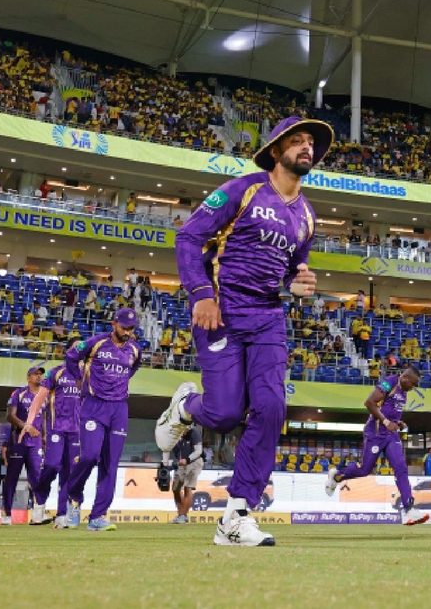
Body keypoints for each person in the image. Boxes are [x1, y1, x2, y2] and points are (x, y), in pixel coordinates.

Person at [155, 116, 330, 547]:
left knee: (271, 408)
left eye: (311, 142)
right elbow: (187, 238)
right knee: (225, 414)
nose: (306, 147)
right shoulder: (243, 189)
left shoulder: (308, 216)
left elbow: (292, 271)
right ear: (276, 150)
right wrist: (201, 294)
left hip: (268, 318)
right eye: (297, 140)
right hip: (221, 312)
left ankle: (236, 516)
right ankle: (186, 407)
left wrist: (299, 282)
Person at [61, 308, 142, 531]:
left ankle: (98, 516)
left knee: (111, 463)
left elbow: (133, 368)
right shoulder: (95, 343)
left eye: (131, 328)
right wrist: (79, 378)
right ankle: (74, 497)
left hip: (119, 408)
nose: (128, 332)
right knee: (89, 456)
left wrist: (118, 385)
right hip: (94, 405)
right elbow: (71, 356)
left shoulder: (135, 349)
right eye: (124, 327)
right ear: (114, 323)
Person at [324, 366, 428, 526]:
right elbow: (369, 402)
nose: (413, 388)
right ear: (405, 377)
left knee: (401, 467)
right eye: (412, 384)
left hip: (391, 435)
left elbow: (389, 409)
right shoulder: (389, 383)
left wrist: (397, 422)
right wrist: (386, 422)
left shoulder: (404, 391)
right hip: (375, 433)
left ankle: (408, 509)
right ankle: (337, 475)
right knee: (364, 470)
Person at [23, 356, 83, 529]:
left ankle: (62, 515)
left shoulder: (86, 374)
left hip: (76, 431)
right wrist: (29, 422)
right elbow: (38, 399)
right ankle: (40, 499)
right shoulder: (55, 373)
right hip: (56, 428)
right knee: (51, 465)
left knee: (69, 472)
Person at [1, 366, 50, 526]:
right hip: (18, 441)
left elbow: (43, 418)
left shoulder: (44, 396)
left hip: (36, 443)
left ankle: (37, 515)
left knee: (37, 478)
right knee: (12, 478)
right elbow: (10, 415)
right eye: (36, 374)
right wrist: (26, 427)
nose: (39, 376)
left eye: (41, 374)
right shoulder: (19, 393)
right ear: (28, 377)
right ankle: (6, 514)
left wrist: (44, 436)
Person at [169, 422, 204, 524]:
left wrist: (187, 459)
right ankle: (181, 514)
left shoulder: (194, 432)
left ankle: (183, 516)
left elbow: (198, 451)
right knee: (175, 488)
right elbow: (176, 452)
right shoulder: (177, 436)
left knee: (187, 487)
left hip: (194, 462)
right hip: (182, 463)